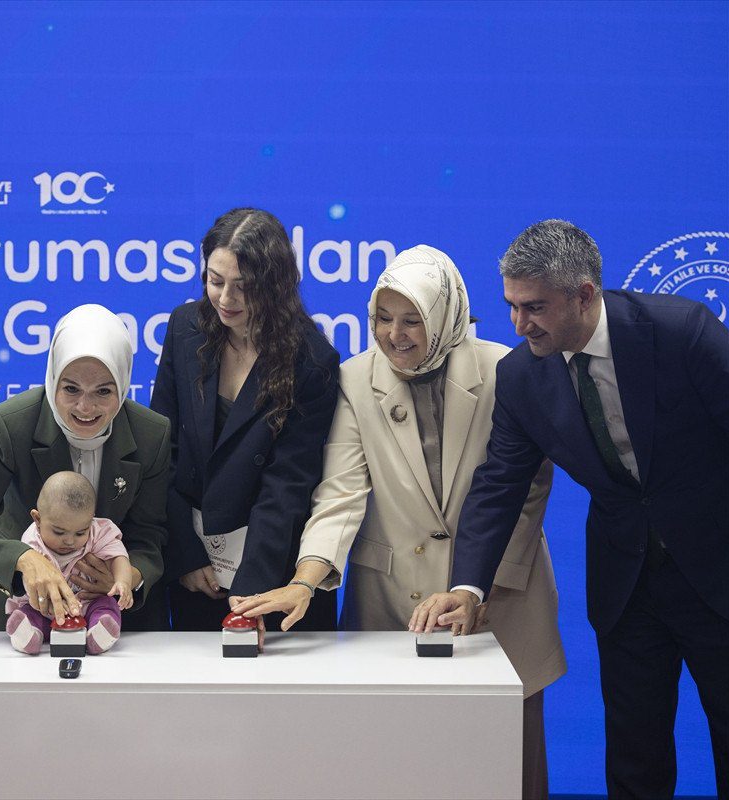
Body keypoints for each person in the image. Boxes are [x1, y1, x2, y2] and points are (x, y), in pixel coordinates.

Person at [410, 220, 729, 799]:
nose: (518, 324)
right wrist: (468, 587)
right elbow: (499, 483)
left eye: (534, 307)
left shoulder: (680, 331)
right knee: (635, 759)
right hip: (627, 586)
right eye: (511, 306)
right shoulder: (521, 376)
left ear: (584, 295)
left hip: (718, 574)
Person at [234, 245, 565, 798]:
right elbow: (340, 493)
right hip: (395, 606)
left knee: (506, 767)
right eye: (383, 318)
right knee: (400, 769)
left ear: (444, 314)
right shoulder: (354, 378)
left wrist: (479, 586)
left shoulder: (505, 369)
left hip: (502, 601)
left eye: (412, 319)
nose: (394, 335)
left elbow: (527, 489)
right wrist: (304, 580)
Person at [148, 207, 339, 633]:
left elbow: (287, 485)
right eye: (216, 281)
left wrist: (251, 592)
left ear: (275, 285)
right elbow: (162, 452)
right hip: (195, 570)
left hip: (272, 572)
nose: (226, 299)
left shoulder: (311, 360)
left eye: (243, 287)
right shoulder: (184, 328)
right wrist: (186, 555)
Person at [0, 303, 169, 632]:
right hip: (23, 611)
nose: (85, 407)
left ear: (122, 385)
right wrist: (25, 560)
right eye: (71, 389)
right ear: (53, 379)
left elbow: (150, 535)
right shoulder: (11, 425)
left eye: (103, 391)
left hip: (117, 619)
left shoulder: (151, 434)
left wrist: (124, 578)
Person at [4, 471, 134, 655]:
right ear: (38, 519)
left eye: (80, 533)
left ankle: (99, 633)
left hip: (90, 600)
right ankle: (28, 633)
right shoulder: (32, 540)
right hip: (45, 605)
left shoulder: (99, 531)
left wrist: (123, 581)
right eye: (59, 532)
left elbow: (118, 556)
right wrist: (48, 599)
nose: (70, 541)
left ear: (91, 519)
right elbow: (29, 578)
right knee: (31, 610)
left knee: (106, 605)